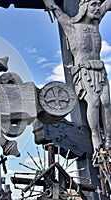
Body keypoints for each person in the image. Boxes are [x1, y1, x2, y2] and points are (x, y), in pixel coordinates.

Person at [43, 0, 111, 151]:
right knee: (94, 102)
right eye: (93, 4)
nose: (98, 8)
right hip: (84, 70)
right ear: (84, 7)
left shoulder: (95, 23)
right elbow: (56, 10)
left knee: (106, 103)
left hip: (100, 70)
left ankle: (109, 140)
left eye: (98, 5)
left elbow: (107, 5)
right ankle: (96, 138)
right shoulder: (71, 26)